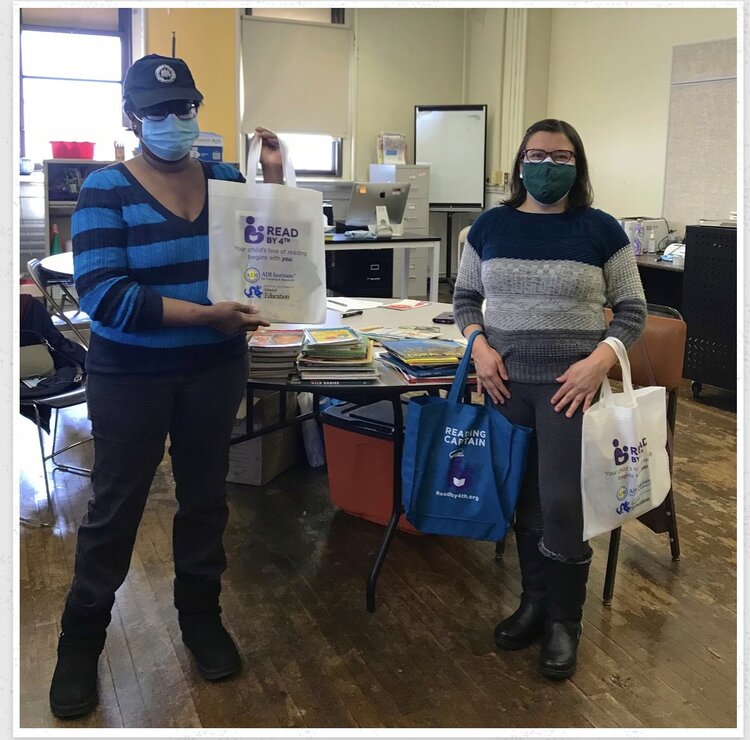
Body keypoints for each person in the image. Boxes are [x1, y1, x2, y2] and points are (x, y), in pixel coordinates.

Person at [49, 53, 282, 719]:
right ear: (132, 118)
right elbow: (106, 297)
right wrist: (205, 315)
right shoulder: (104, 191)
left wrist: (272, 178)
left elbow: (269, 252)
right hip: (132, 376)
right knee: (117, 506)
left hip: (214, 370)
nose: (175, 122)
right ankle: (79, 638)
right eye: (157, 112)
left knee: (207, 499)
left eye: (185, 109)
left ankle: (201, 618)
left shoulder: (226, 178)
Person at [453, 119, 646, 680]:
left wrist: (599, 360)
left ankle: (565, 621)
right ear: (518, 163)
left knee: (561, 502)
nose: (547, 166)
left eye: (561, 158)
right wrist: (480, 346)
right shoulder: (489, 227)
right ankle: (534, 602)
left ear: (578, 166)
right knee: (521, 498)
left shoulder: (601, 230)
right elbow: (466, 298)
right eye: (537, 155)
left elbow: (632, 308)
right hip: (504, 384)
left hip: (571, 388)